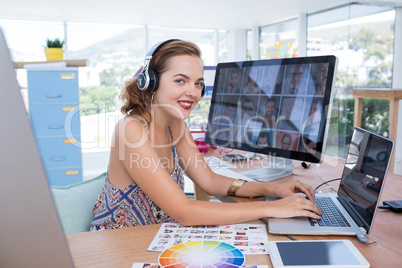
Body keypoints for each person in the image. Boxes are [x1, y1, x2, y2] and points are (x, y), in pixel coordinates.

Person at [90, 39, 321, 230]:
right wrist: (273, 208)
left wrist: (271, 189)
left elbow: (209, 181)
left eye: (198, 83)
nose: (193, 92)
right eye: (181, 80)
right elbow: (185, 212)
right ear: (152, 83)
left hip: (156, 237)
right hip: (119, 246)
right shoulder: (131, 128)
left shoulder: (176, 127)